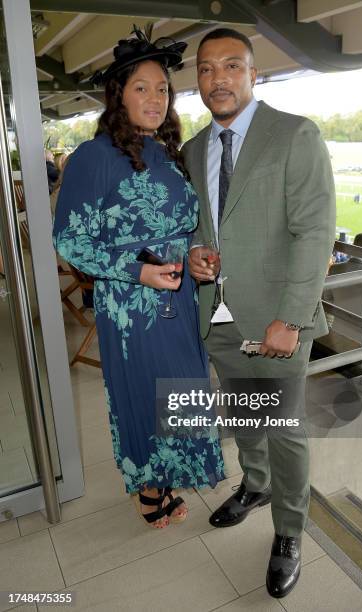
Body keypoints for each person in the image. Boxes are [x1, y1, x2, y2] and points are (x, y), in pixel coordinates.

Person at [53, 27, 225, 530]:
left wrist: (194, 256)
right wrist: (138, 271)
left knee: (176, 392)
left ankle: (166, 475)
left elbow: (182, 225)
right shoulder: (94, 157)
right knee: (143, 393)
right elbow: (69, 240)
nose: (155, 98)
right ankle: (148, 486)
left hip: (179, 299)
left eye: (162, 89)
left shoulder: (168, 155)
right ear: (118, 96)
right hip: (131, 304)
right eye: (141, 88)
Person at [185, 28, 336, 598]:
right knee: (247, 417)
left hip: (278, 320)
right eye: (206, 68)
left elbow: (314, 231)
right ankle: (255, 485)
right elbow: (205, 227)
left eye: (231, 66)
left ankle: (290, 532)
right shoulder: (196, 149)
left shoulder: (294, 134)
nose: (217, 78)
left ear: (254, 75)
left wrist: (291, 318)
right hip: (220, 315)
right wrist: (195, 254)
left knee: (285, 430)